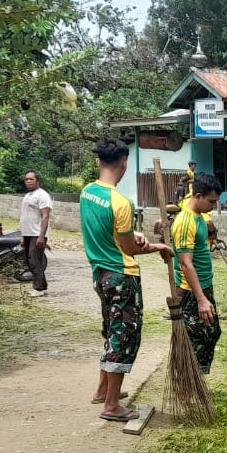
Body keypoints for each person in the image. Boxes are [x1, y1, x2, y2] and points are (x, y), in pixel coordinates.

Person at [80, 139, 174, 421]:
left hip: (101, 275)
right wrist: (158, 247)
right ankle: (111, 406)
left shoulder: (87, 193)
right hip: (122, 276)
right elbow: (130, 249)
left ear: (98, 162)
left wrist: (135, 235)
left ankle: (102, 391)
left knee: (111, 332)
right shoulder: (121, 202)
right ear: (124, 163)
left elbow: (111, 234)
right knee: (123, 338)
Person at [171, 173, 223, 373]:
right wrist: (201, 299)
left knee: (211, 331)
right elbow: (185, 264)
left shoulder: (199, 217)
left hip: (203, 285)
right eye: (211, 201)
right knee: (197, 336)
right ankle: (187, 380)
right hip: (192, 291)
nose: (213, 206)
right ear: (198, 196)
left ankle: (196, 379)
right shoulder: (185, 222)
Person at [20, 171, 52, 296]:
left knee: (34, 260)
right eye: (26, 179)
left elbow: (45, 216)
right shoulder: (28, 195)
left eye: (31, 179)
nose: (28, 181)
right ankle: (42, 286)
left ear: (37, 180)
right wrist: (23, 236)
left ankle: (38, 288)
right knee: (29, 261)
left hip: (37, 233)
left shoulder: (42, 195)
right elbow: (24, 217)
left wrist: (41, 236)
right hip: (27, 233)